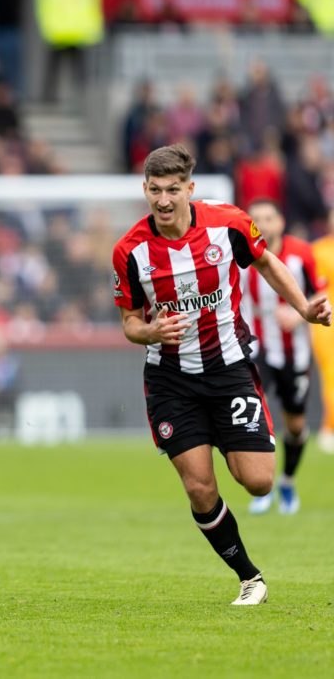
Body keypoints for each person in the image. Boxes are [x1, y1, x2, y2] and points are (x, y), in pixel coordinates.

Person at [111, 144, 331, 606]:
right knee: (198, 486)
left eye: (173, 189)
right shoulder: (130, 251)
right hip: (171, 380)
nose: (164, 200)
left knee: (256, 481)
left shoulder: (228, 223)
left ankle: (246, 457)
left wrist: (304, 308)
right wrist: (149, 330)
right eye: (155, 190)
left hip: (229, 369)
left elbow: (267, 261)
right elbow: (130, 321)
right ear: (145, 190)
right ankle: (250, 577)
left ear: (190, 188)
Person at [239, 199, 325, 515]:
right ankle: (263, 486)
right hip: (256, 348)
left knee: (296, 425)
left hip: (294, 353)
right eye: (256, 218)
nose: (261, 223)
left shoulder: (301, 253)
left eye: (268, 217)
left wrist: (299, 315)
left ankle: (287, 481)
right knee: (253, 415)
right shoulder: (240, 254)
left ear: (281, 222)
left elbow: (321, 292)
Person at [310, 208, 334, 453]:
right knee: (331, 374)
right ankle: (330, 426)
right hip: (328, 320)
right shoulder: (319, 250)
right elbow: (317, 288)